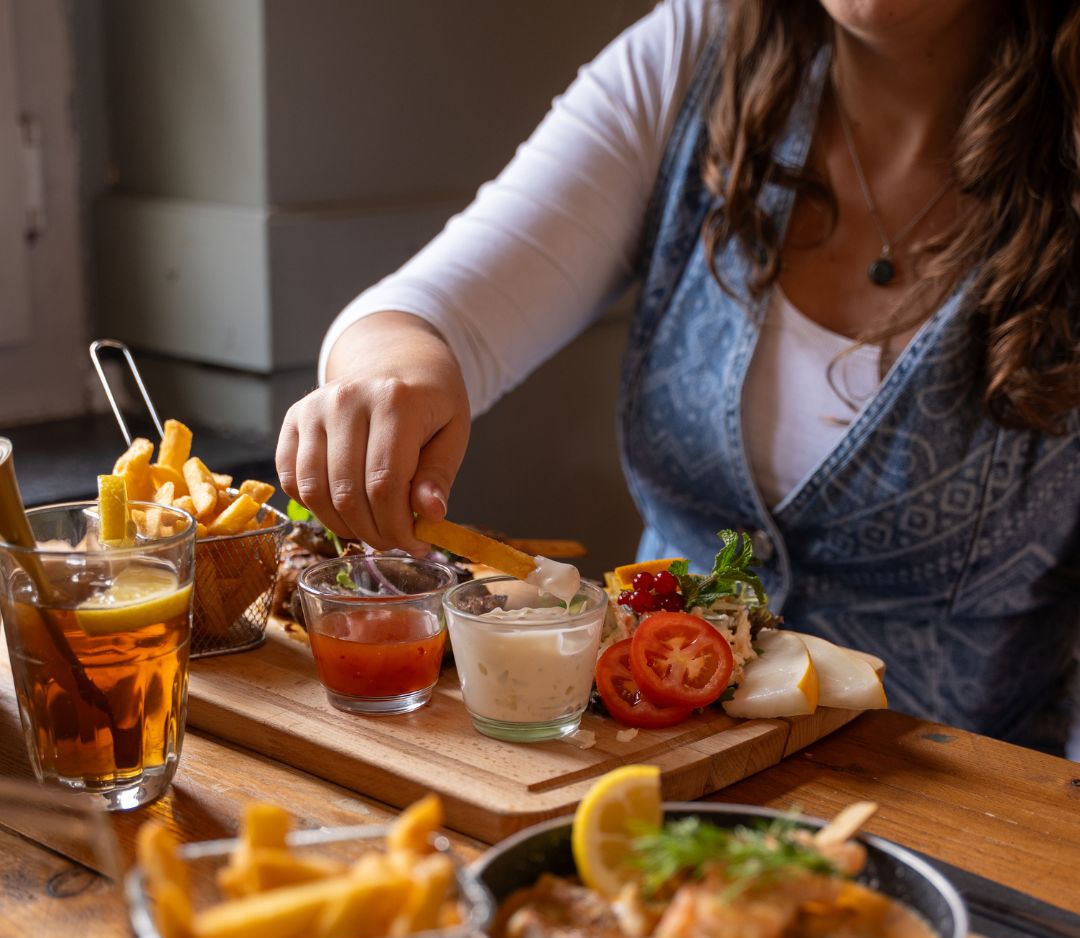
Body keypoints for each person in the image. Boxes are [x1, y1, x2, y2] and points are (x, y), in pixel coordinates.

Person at [276, 0, 1080, 754]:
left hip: (973, 817)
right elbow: (425, 312)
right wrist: (391, 374)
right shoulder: (696, 50)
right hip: (650, 764)